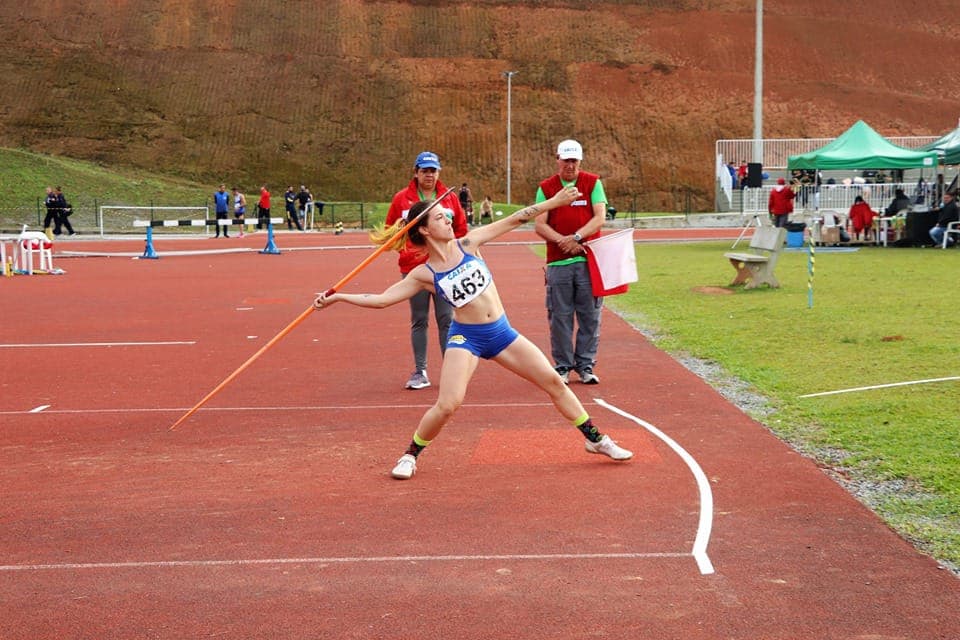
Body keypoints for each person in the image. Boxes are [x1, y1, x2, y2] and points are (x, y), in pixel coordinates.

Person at [313, 187, 634, 479]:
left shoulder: (469, 243)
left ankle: (596, 440)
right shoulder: (424, 273)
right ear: (424, 229)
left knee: (553, 381)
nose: (448, 219)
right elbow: (382, 299)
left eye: (447, 215)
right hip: (466, 338)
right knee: (448, 404)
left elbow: (516, 219)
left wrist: (554, 202)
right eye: (440, 217)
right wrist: (339, 297)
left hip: (502, 333)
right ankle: (410, 455)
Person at [385, 151, 468, 390]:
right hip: (415, 270)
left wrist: (452, 254)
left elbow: (461, 229)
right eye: (424, 171)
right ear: (416, 173)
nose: (429, 175)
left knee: (447, 319)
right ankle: (420, 371)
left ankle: (450, 370)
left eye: (433, 171)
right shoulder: (402, 198)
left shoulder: (449, 198)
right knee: (419, 319)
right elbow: (391, 232)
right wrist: (405, 249)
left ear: (438, 172)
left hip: (445, 269)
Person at [533, 139, 607, 385]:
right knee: (560, 317)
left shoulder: (592, 183)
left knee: (590, 316)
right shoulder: (546, 187)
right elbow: (540, 224)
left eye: (574, 160)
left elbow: (599, 217)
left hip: (588, 261)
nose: (570, 165)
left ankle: (586, 365)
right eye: (566, 160)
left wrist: (576, 237)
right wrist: (562, 241)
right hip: (558, 263)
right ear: (558, 160)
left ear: (580, 161)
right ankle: (562, 366)